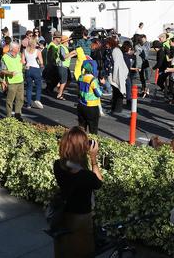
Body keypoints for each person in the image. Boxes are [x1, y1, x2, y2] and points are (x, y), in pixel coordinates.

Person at [53, 126, 103, 258]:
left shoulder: (57, 165)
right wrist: (93, 159)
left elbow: (71, 166)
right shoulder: (86, 176)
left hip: (63, 215)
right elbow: (99, 183)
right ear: (82, 149)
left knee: (64, 250)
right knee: (82, 251)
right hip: (81, 219)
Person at [0, 42, 25, 120]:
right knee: (10, 100)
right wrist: (10, 73)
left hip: (20, 80)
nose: (19, 49)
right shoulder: (5, 57)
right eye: (18, 48)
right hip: (11, 82)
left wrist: (25, 66)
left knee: (20, 99)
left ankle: (18, 115)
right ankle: (9, 116)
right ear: (13, 49)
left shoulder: (18, 55)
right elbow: (2, 70)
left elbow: (21, 66)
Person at [77, 62, 103, 134]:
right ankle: (93, 144)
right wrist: (101, 85)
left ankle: (81, 144)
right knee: (93, 130)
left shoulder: (80, 77)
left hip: (81, 105)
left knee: (81, 129)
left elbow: (78, 90)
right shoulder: (93, 80)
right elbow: (98, 94)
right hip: (91, 107)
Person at [109, 37, 129, 116]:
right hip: (121, 72)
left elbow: (116, 64)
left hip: (118, 73)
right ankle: (116, 109)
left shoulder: (115, 51)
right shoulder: (117, 50)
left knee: (118, 92)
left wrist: (113, 77)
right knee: (118, 91)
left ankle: (116, 109)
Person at [23, 38, 44, 109]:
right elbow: (41, 62)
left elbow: (22, 61)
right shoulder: (37, 51)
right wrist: (41, 66)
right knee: (38, 85)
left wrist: (26, 64)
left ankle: (28, 104)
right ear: (35, 44)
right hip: (35, 69)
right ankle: (37, 99)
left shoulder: (24, 51)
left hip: (28, 68)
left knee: (29, 87)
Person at [56, 35, 75, 101]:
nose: (69, 42)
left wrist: (74, 54)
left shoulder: (64, 47)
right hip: (62, 66)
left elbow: (68, 56)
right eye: (68, 40)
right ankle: (59, 94)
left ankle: (60, 89)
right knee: (63, 81)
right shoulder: (61, 47)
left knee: (69, 80)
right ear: (65, 41)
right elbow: (64, 57)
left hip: (65, 66)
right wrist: (72, 52)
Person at [122, 40, 138, 108]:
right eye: (130, 49)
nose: (130, 50)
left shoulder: (124, 55)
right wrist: (135, 69)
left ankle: (127, 99)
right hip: (126, 74)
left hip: (126, 74)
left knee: (127, 86)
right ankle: (128, 101)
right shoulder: (125, 56)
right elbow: (127, 67)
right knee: (128, 87)